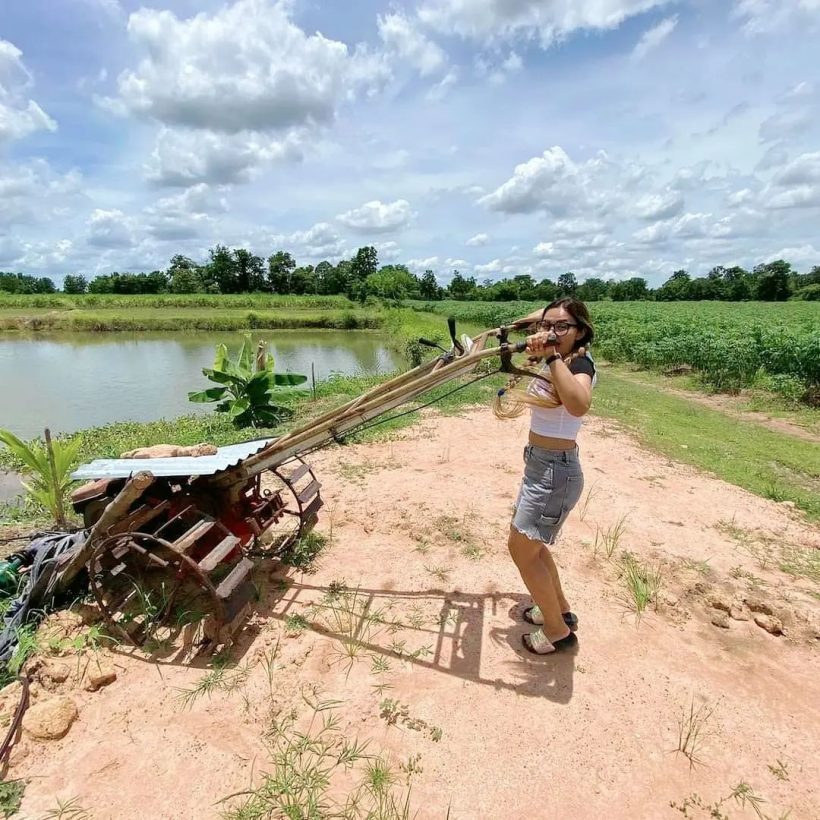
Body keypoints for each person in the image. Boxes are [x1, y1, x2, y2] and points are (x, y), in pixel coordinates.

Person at [498, 298, 596, 655]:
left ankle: (557, 633)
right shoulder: (555, 354)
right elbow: (540, 318)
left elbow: (579, 404)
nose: (552, 332)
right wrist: (512, 327)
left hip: (555, 471)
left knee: (521, 550)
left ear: (580, 331)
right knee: (533, 546)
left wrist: (552, 354)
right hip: (540, 464)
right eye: (548, 325)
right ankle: (560, 611)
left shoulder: (578, 363)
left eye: (562, 327)